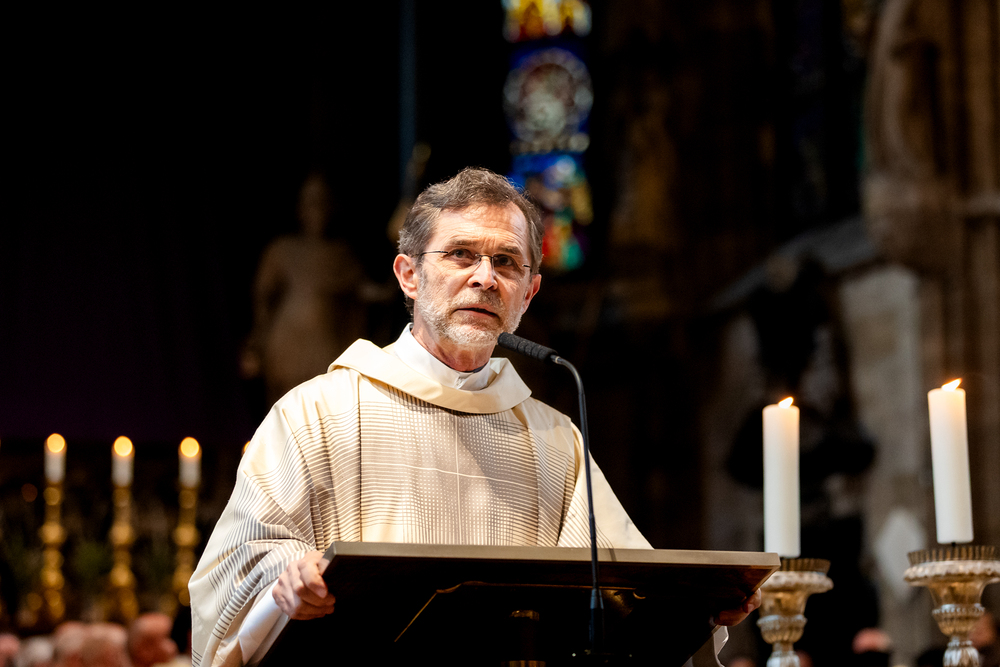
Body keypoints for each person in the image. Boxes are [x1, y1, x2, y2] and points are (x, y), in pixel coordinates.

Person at [189, 167, 760, 666]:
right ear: (409, 275)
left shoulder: (552, 439)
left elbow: (619, 583)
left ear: (528, 293)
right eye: (461, 254)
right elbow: (242, 562)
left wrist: (700, 607)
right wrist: (287, 582)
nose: (485, 277)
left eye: (506, 262)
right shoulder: (317, 412)